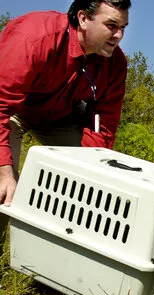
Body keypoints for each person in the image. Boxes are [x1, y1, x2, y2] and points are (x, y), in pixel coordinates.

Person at [0, 0, 131, 251]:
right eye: (111, 25)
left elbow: (102, 124)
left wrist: (91, 170)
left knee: (92, 184)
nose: (119, 36)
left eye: (123, 27)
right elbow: (1, 105)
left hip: (61, 116)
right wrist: (4, 170)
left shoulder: (115, 64)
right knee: (3, 186)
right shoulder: (33, 37)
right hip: (14, 110)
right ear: (83, 18)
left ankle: (59, 252)